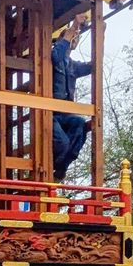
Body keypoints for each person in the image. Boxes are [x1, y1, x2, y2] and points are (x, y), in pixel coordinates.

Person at [51, 17, 92, 181]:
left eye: (77, 37)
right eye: (70, 36)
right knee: (62, 143)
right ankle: (53, 166)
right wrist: (74, 25)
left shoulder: (73, 65)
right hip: (50, 112)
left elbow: (93, 66)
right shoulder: (53, 55)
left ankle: (60, 170)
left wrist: (101, 33)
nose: (74, 38)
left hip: (66, 114)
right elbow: (57, 55)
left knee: (79, 123)